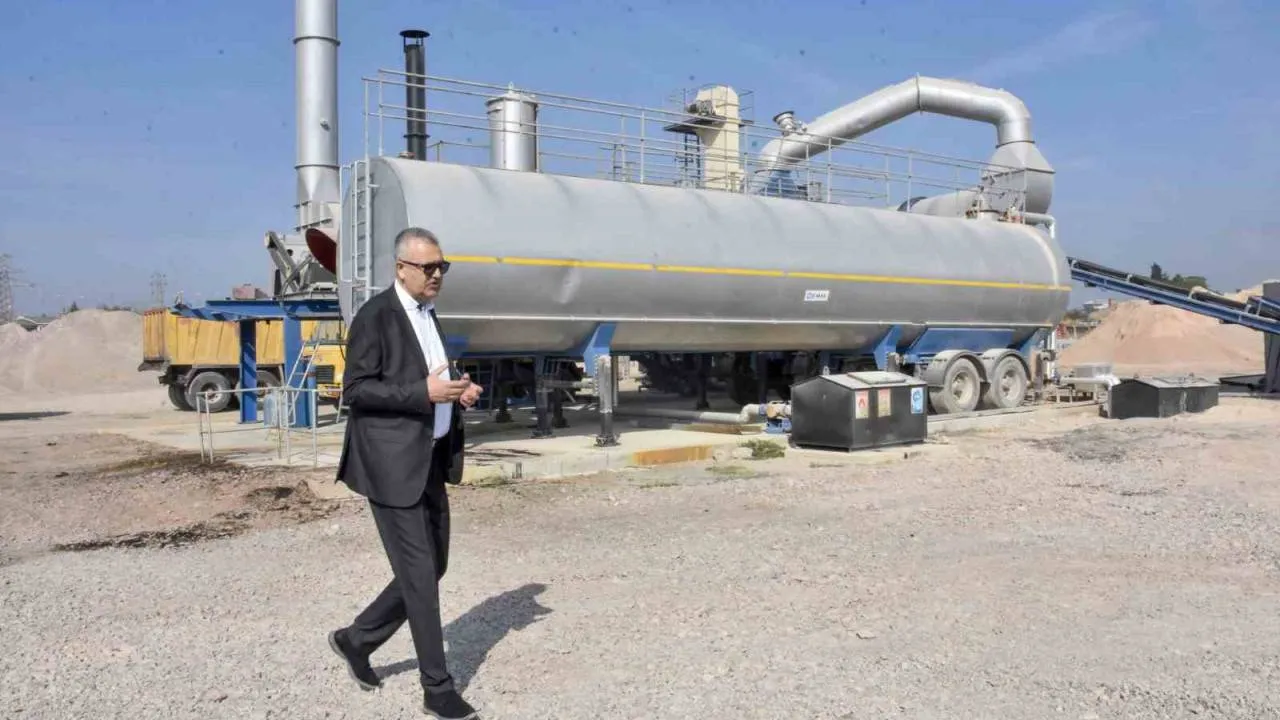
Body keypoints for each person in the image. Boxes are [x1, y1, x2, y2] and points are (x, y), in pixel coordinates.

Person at [326, 226, 483, 720]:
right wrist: (424, 394)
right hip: (391, 465)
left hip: (429, 458)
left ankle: (356, 640)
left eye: (442, 267)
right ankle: (437, 689)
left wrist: (458, 390)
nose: (437, 275)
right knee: (419, 577)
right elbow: (356, 391)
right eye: (428, 267)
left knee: (433, 567)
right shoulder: (375, 317)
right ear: (401, 268)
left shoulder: (428, 313)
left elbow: (430, 376)